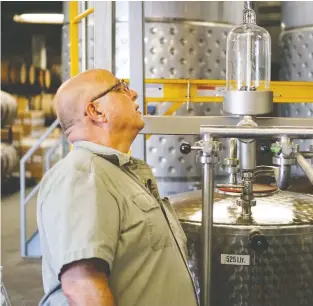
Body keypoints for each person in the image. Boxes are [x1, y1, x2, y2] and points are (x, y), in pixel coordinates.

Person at [37, 69, 199, 306]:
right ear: (96, 111)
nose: (133, 93)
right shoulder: (82, 175)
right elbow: (83, 287)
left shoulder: (116, 173)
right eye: (121, 88)